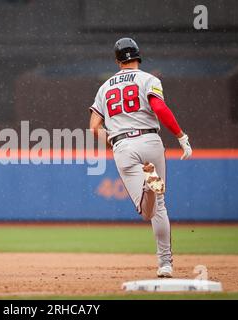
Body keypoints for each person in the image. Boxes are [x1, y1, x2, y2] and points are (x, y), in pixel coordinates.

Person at [89, 37, 192, 278]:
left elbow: (94, 126)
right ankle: (165, 264)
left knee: (146, 212)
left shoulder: (105, 88)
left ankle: (148, 186)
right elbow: (159, 109)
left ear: (117, 61)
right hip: (150, 142)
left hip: (123, 144)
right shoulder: (148, 79)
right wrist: (180, 135)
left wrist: (114, 142)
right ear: (138, 56)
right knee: (160, 207)